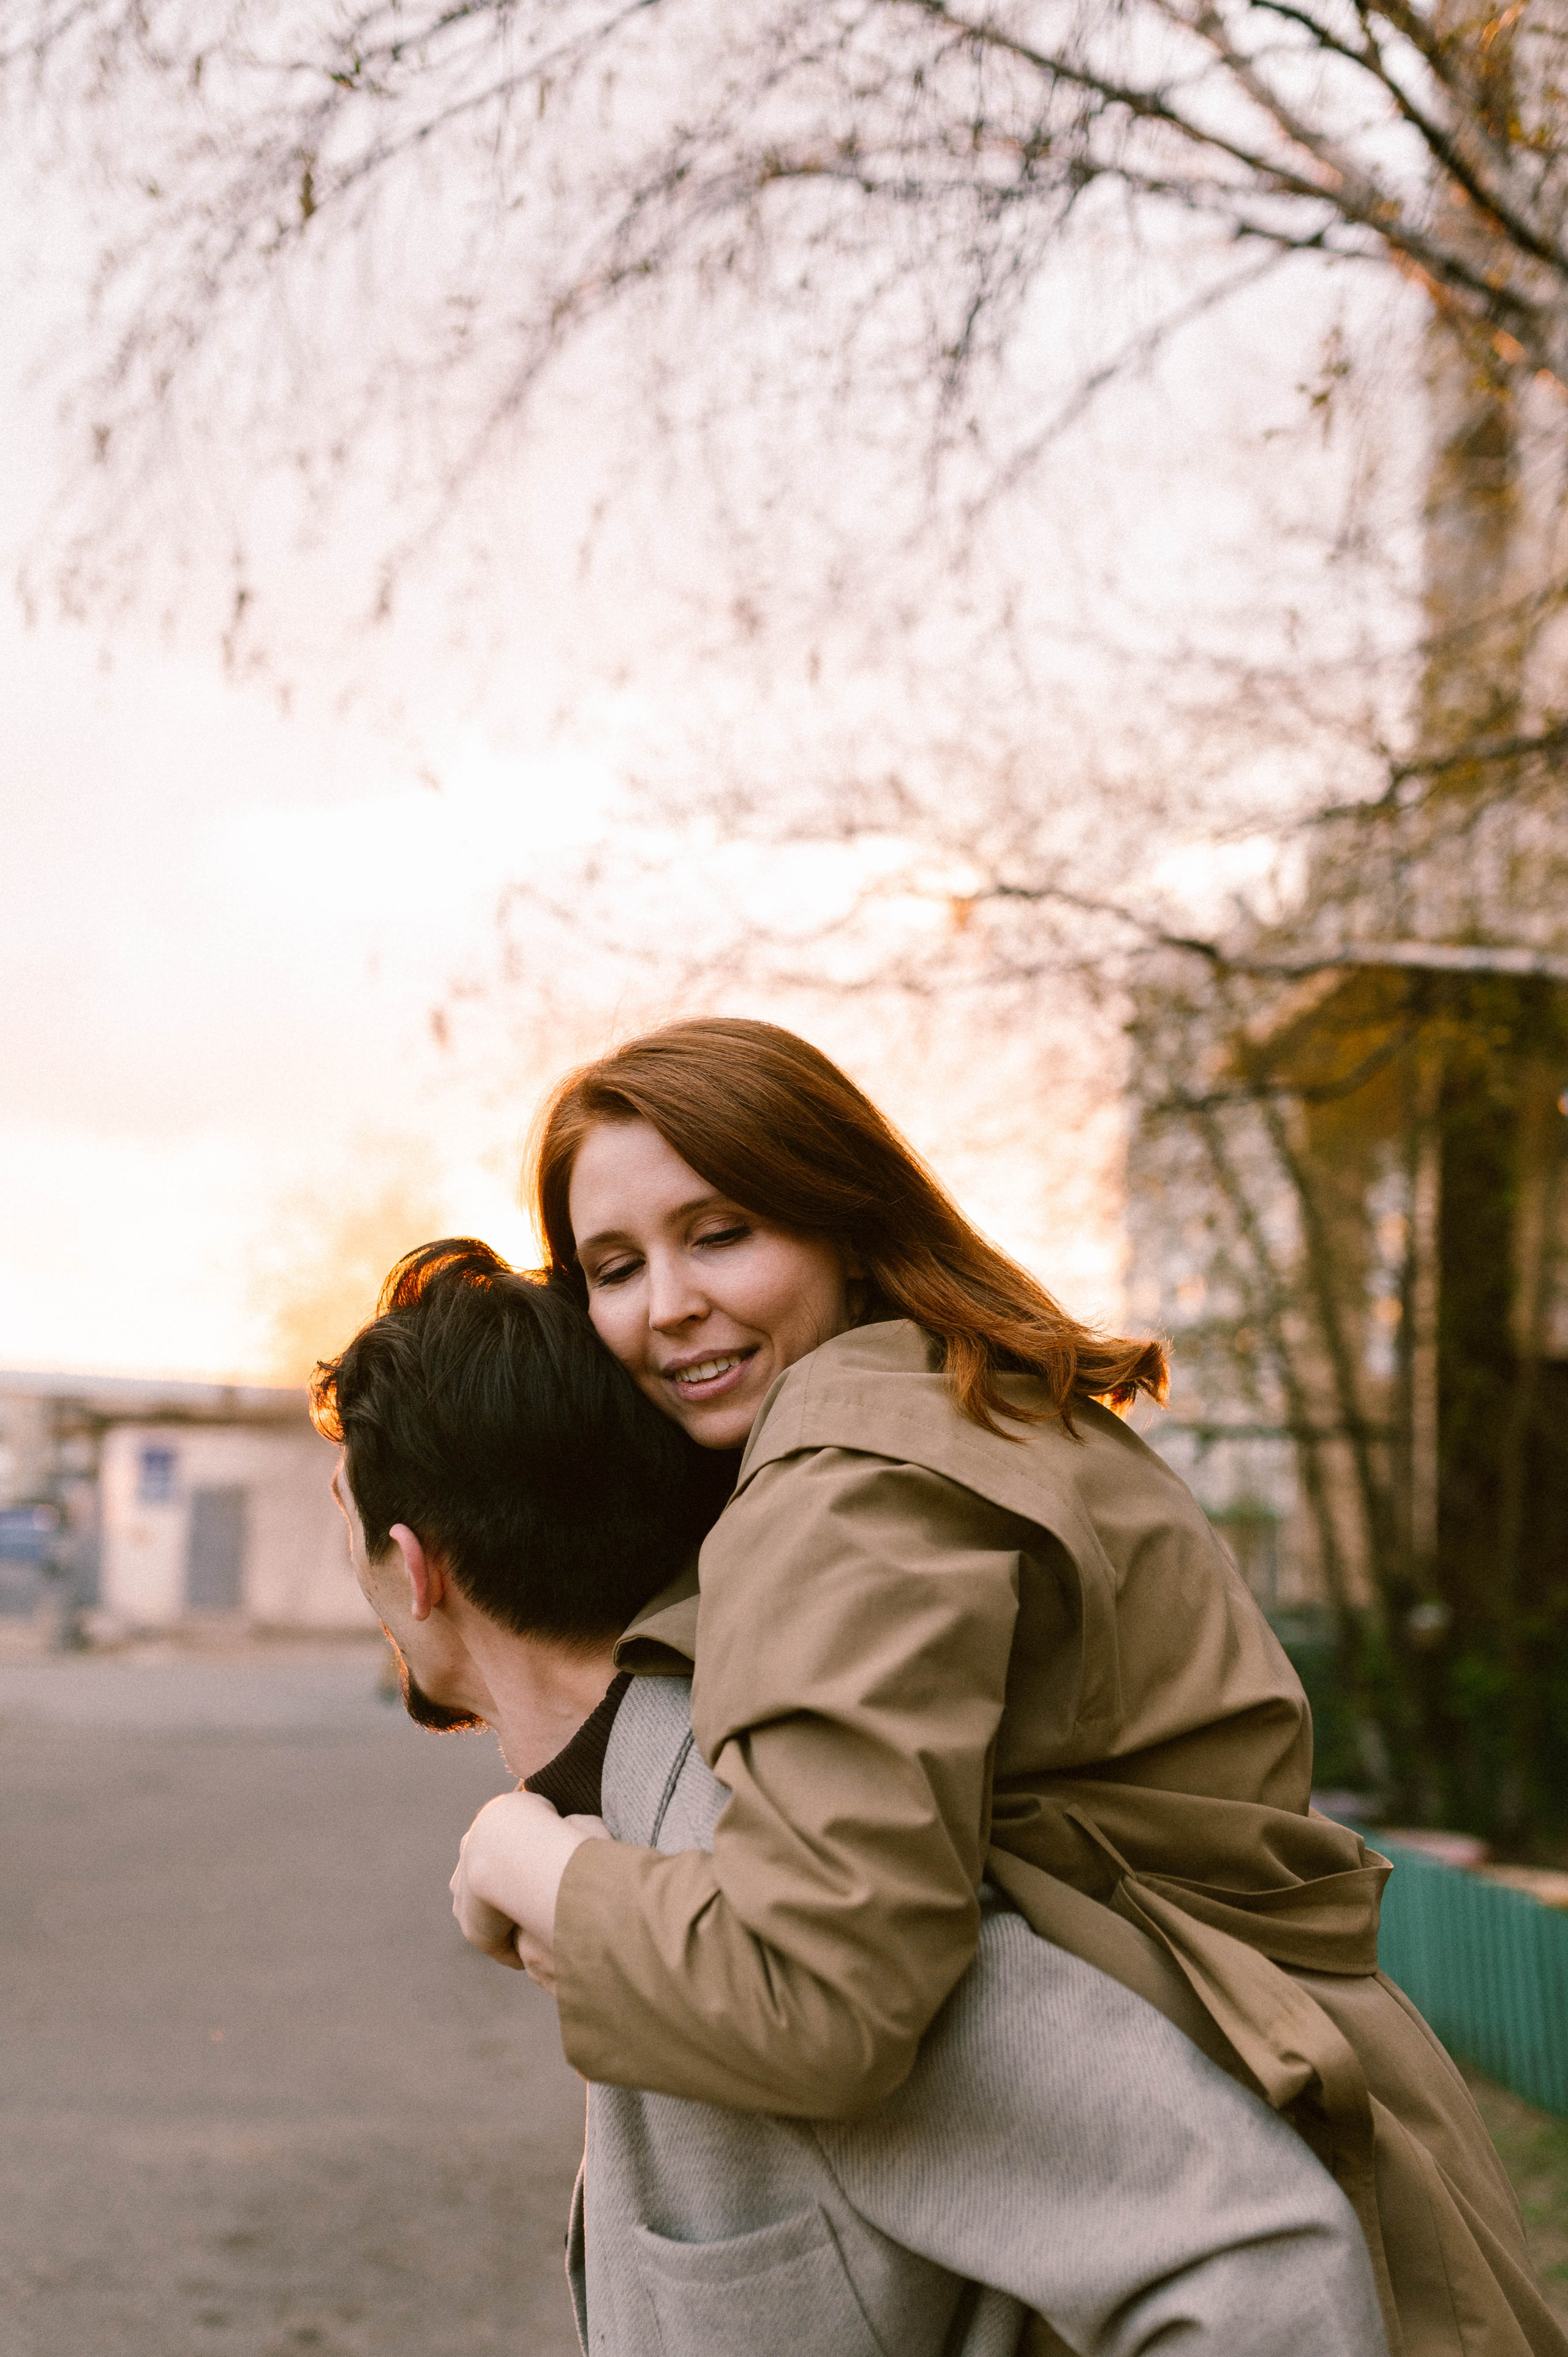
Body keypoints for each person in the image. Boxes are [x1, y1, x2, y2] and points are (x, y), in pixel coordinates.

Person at [460, 1015, 1566, 2357]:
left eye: (724, 1231)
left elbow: (821, 1992)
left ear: (843, 1224)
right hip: (1302, 2134)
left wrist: (525, 1862)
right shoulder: (975, 1406)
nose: (667, 1302)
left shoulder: (850, 1487)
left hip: (1213, 2241)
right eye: (614, 1267)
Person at [312, 1238, 1386, 2357]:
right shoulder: (654, 1817)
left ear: (414, 1562)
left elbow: (1267, 2273)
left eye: (346, 1515)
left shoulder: (755, 1863)